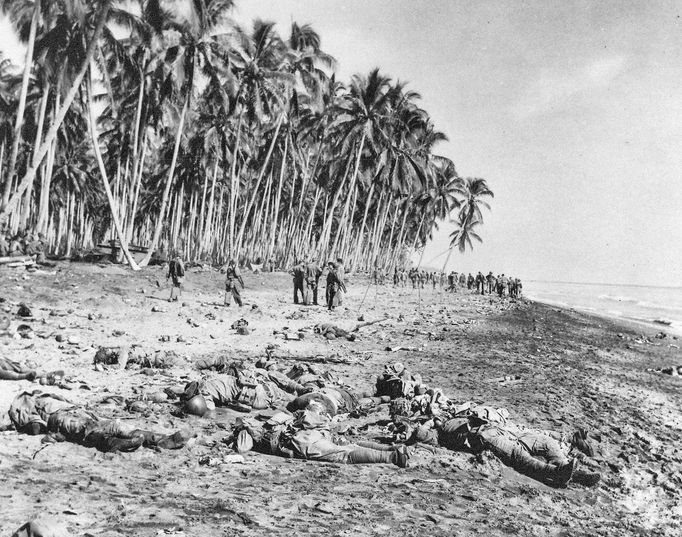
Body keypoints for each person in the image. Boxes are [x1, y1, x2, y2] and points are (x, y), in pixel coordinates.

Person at [231, 405, 410, 467]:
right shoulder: (269, 417)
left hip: (302, 441)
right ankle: (391, 448)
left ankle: (392, 457)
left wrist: (237, 436)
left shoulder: (246, 429)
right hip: (315, 429)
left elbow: (242, 449)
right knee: (348, 444)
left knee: (344, 455)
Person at [8, 391, 187, 453]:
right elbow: (34, 427)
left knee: (112, 424)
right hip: (61, 418)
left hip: (76, 412)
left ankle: (160, 440)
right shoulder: (23, 405)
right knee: (91, 429)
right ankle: (115, 442)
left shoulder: (40, 398)